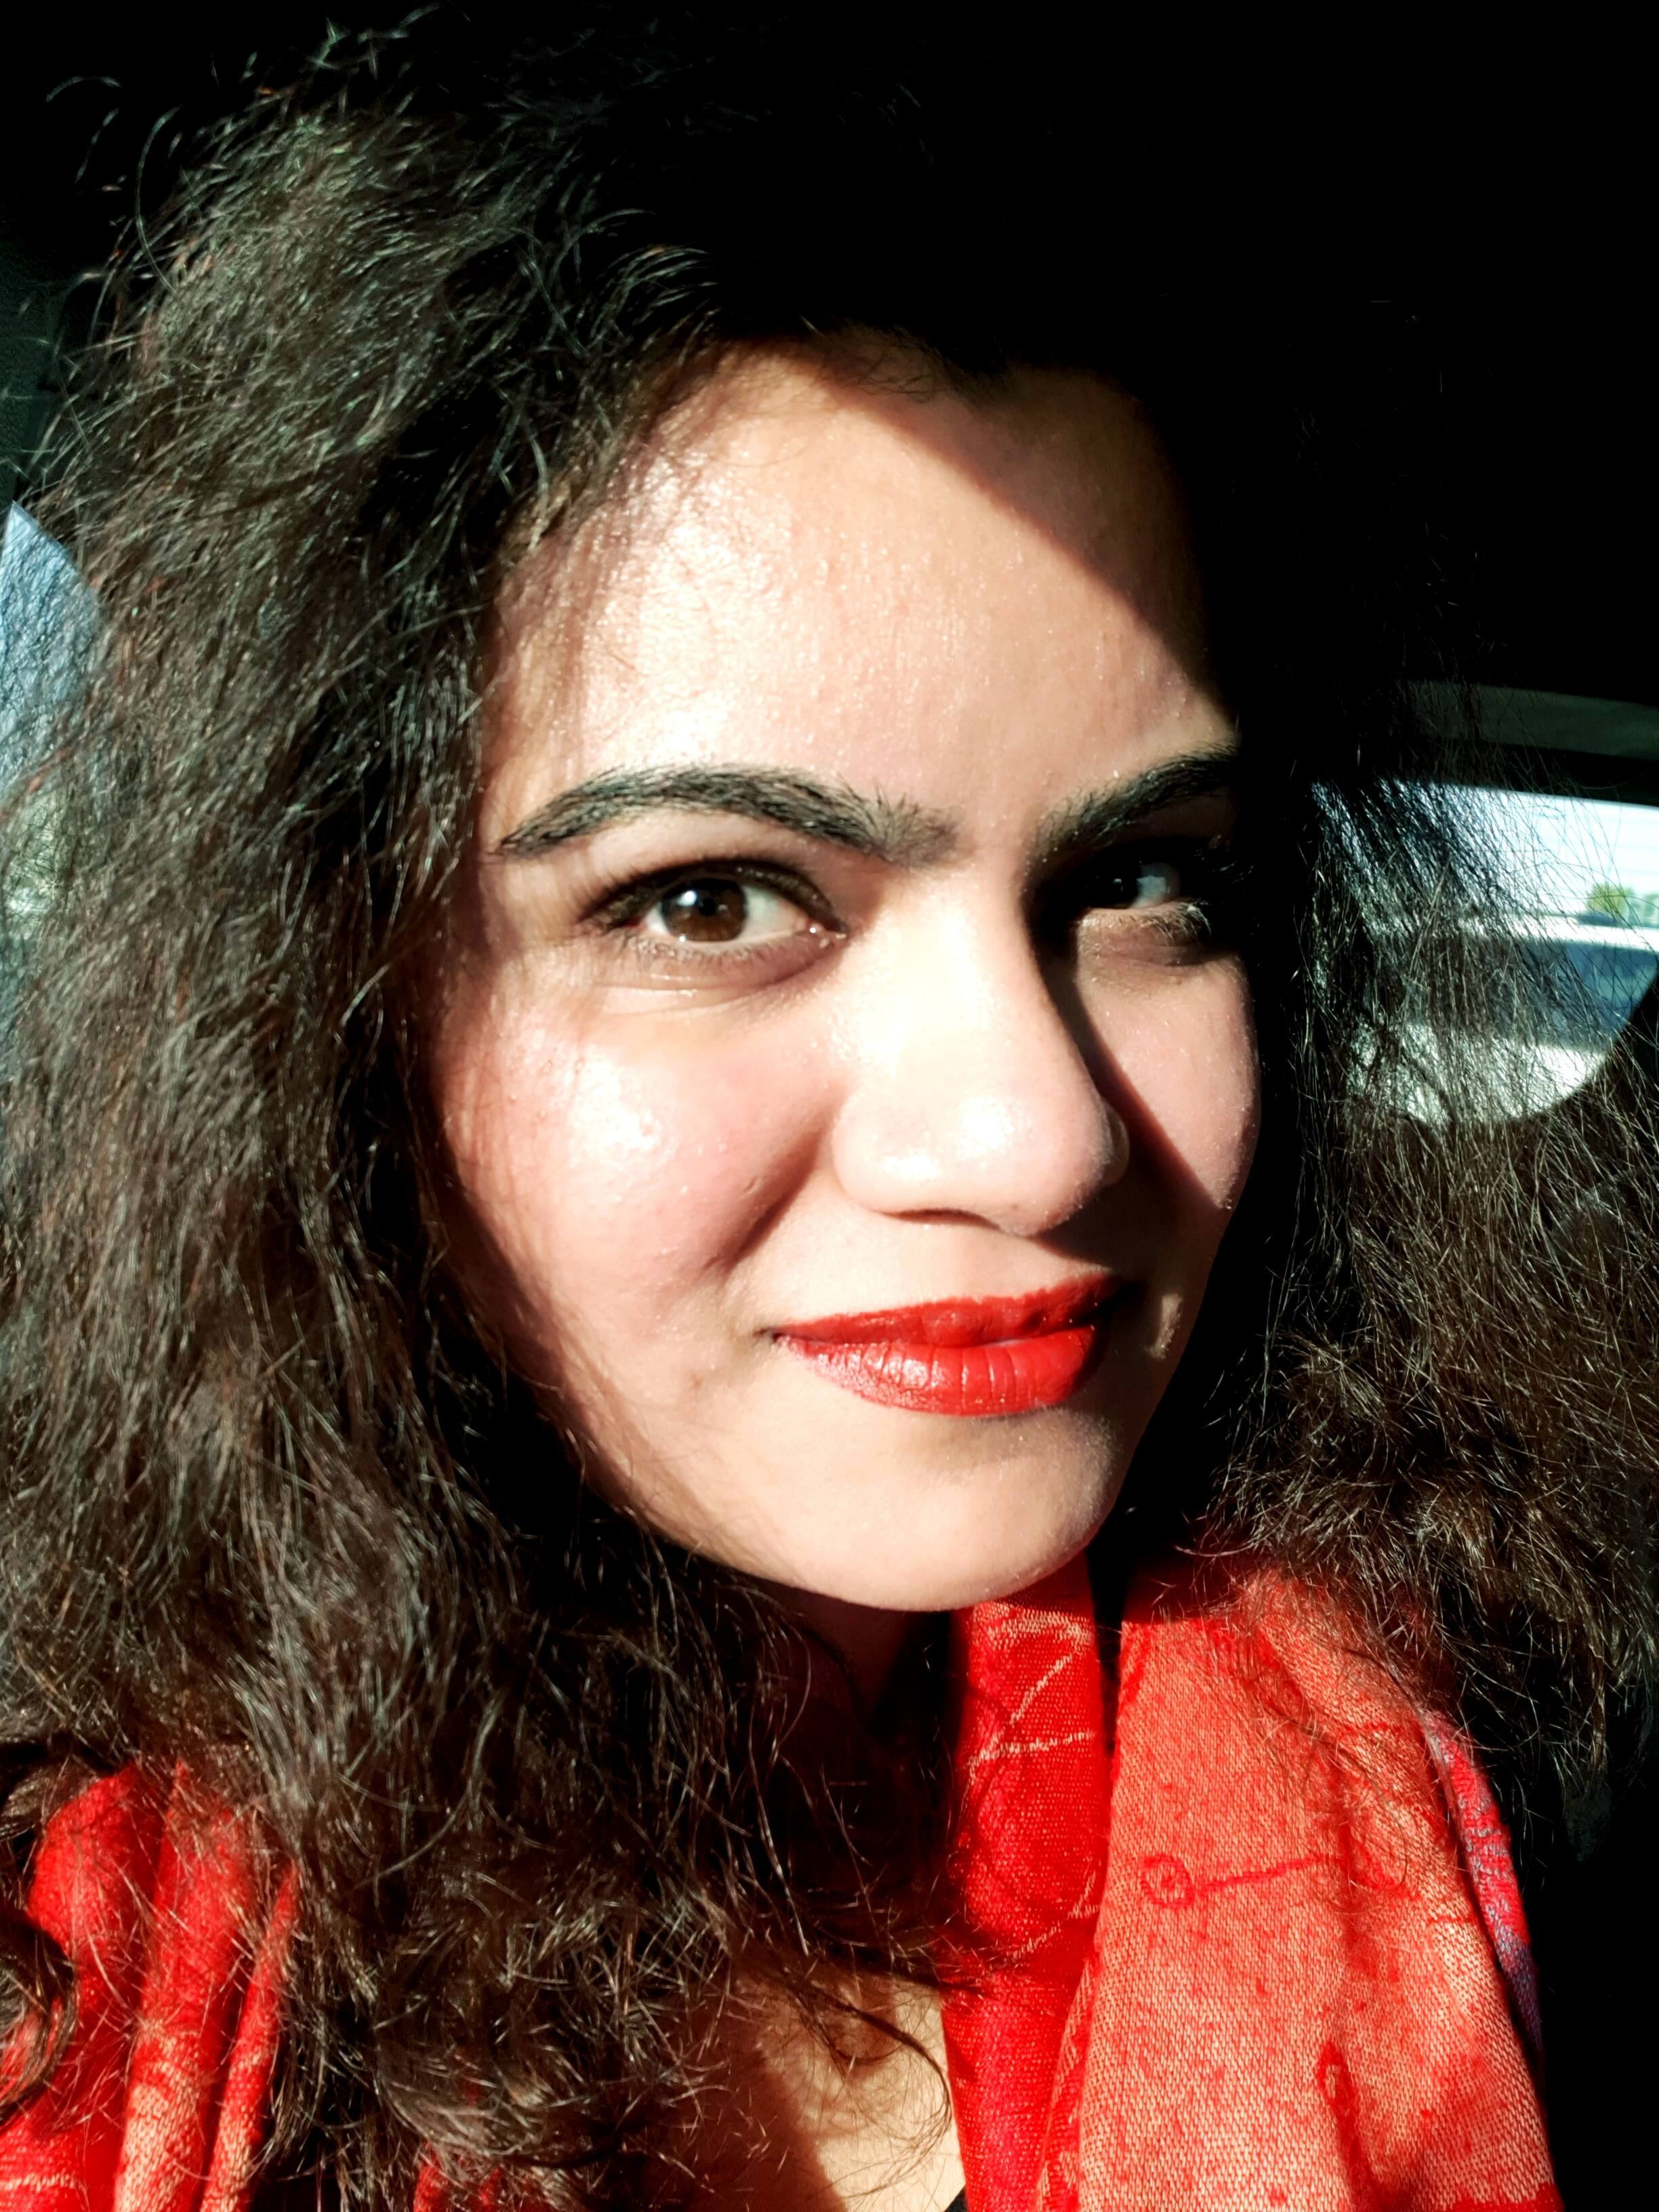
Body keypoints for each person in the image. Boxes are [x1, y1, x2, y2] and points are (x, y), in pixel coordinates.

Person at [0, 20, 1653, 2211]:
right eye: (709, 898)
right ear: (335, 1020)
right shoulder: (62, 1952)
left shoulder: (1530, 1779)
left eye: (1146, 883)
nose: (1038, 1139)